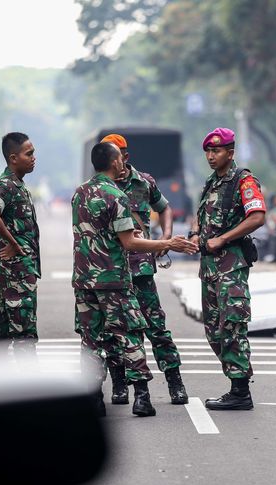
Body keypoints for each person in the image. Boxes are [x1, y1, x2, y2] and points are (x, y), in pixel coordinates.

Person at [72, 141, 197, 417]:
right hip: (115, 278)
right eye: (118, 157)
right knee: (129, 335)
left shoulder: (80, 193)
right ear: (114, 160)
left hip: (86, 281)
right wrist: (169, 243)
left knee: (92, 340)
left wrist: (161, 238)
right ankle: (141, 396)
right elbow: (128, 242)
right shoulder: (116, 195)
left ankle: (94, 398)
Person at [100, 133, 189, 406]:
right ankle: (119, 385)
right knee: (114, 332)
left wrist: (166, 237)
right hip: (112, 272)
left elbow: (165, 208)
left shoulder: (144, 182)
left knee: (156, 328)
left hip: (140, 271)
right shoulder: (99, 188)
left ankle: (175, 382)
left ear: (125, 156)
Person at [188, 127, 266, 411]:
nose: (211, 156)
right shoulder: (211, 183)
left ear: (230, 153)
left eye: (216, 151)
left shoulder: (243, 181)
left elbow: (257, 216)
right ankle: (236, 383)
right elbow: (200, 219)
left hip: (231, 266)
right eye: (208, 151)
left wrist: (224, 237)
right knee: (213, 330)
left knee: (232, 326)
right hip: (208, 267)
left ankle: (240, 390)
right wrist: (194, 234)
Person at [0, 132, 41, 363]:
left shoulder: (17, 185)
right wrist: (13, 243)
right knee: (24, 334)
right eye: (29, 153)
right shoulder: (5, 185)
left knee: (1, 332)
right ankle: (29, 390)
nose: (34, 157)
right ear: (13, 158)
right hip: (16, 272)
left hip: (16, 271)